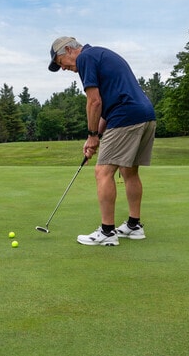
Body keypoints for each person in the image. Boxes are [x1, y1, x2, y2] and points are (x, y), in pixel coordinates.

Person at [47, 37, 156, 246]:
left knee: (102, 171)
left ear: (69, 50)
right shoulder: (100, 54)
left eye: (61, 63)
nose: (64, 69)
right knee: (129, 171)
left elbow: (94, 101)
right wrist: (93, 136)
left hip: (125, 116)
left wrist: (91, 135)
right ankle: (134, 226)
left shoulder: (86, 58)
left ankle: (107, 232)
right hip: (145, 115)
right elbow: (106, 106)